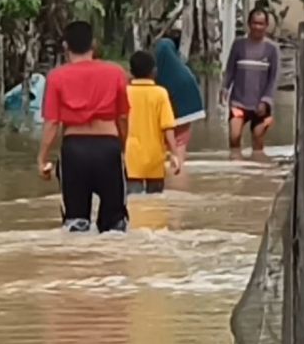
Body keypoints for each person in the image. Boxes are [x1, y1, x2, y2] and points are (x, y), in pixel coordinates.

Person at [38, 21, 130, 233]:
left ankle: (78, 265)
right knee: (115, 225)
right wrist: (123, 147)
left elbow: (52, 123)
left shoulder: (56, 77)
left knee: (75, 224)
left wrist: (42, 158)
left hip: (74, 151)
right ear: (94, 44)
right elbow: (123, 117)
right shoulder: (116, 73)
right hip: (108, 148)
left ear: (65, 46)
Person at [223, 8, 280, 155]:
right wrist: (224, 87)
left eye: (261, 24)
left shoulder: (272, 49)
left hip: (260, 105)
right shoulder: (238, 45)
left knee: (257, 141)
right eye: (254, 23)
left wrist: (266, 101)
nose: (257, 27)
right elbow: (230, 70)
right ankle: (236, 169)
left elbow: (274, 78)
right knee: (234, 137)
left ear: (266, 25)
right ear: (249, 24)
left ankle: (257, 171)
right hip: (238, 102)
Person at [125, 51, 181, 195]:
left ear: (131, 72)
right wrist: (175, 154)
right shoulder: (160, 94)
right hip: (155, 160)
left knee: (133, 204)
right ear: (154, 71)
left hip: (131, 159)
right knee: (156, 204)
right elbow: (167, 127)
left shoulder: (125, 93)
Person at [154, 39, 206, 166]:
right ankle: (179, 174)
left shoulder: (155, 73)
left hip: (163, 117)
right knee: (180, 144)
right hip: (186, 113)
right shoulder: (186, 72)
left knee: (163, 146)